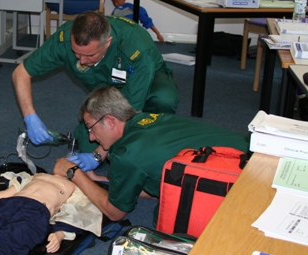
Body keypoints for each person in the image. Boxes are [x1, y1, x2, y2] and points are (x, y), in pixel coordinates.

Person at [54, 86, 250, 222]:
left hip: (241, 186)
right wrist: (101, 180)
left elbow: (115, 213)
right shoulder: (149, 118)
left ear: (111, 121)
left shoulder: (126, 153)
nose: (91, 137)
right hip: (254, 153)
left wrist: (74, 173)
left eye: (91, 128)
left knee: (167, 216)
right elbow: (151, 176)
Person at [12, 11, 179, 154]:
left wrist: (99, 155)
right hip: (105, 87)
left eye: (90, 55)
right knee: (87, 143)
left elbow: (131, 112)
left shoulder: (135, 49)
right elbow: (21, 73)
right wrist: (30, 117)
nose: (82, 61)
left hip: (146, 79)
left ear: (107, 43)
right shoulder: (64, 40)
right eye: (76, 54)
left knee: (162, 99)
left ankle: (156, 140)